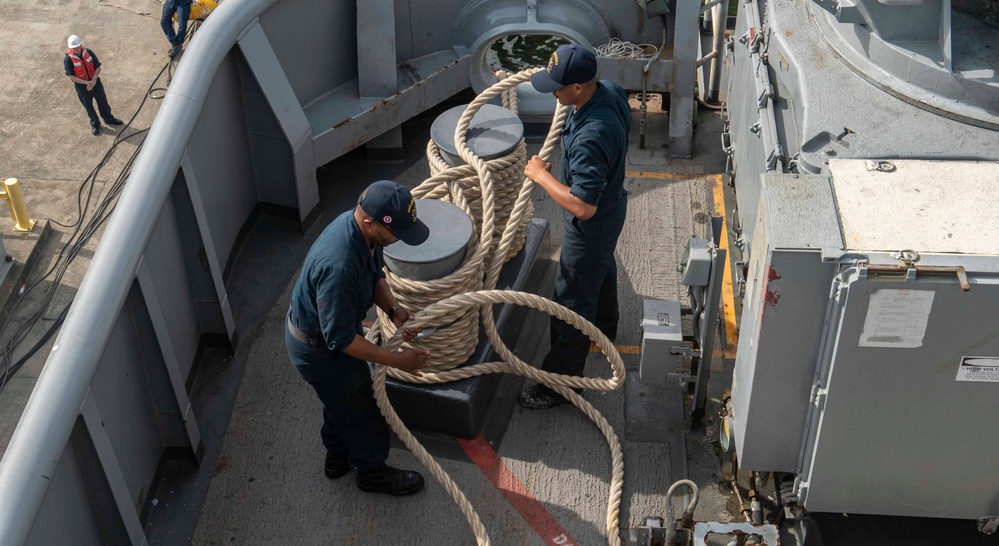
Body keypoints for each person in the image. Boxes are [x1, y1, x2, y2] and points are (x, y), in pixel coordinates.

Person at [286, 180, 432, 495]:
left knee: (339, 403)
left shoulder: (363, 231)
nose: (398, 239)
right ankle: (371, 472)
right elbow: (340, 340)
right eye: (397, 233)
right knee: (362, 409)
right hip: (321, 351)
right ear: (370, 223)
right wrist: (398, 361)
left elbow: (374, 275)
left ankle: (336, 458)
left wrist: (394, 310)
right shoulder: (339, 267)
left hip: (327, 337)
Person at [519, 44, 632, 410]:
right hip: (613, 209)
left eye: (557, 86)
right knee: (602, 267)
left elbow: (583, 206)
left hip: (592, 222)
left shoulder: (591, 137)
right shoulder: (610, 91)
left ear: (579, 88)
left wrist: (540, 177)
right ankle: (605, 329)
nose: (553, 92)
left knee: (570, 299)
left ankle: (562, 385)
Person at [64, 35, 124, 136]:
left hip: (95, 81)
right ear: (70, 48)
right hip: (82, 86)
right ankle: (95, 124)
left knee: (103, 101)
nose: (76, 49)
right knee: (88, 106)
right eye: (74, 48)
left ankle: (108, 118)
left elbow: (98, 67)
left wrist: (94, 80)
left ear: (81, 45)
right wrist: (87, 83)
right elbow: (72, 77)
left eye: (78, 47)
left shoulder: (88, 52)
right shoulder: (68, 59)